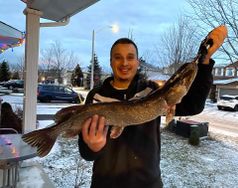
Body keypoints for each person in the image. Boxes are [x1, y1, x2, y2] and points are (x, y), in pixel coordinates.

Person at [78, 28, 225, 188]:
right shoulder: (96, 97)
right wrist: (92, 147)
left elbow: (194, 105)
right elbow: (86, 152)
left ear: (137, 62)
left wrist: (205, 60)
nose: (125, 63)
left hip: (148, 183)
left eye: (130, 57)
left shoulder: (152, 91)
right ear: (111, 62)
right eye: (118, 57)